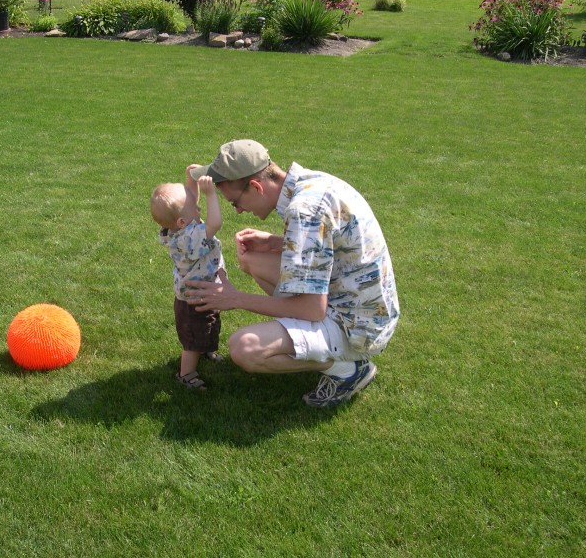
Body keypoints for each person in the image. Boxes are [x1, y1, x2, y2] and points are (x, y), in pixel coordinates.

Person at [187, 139, 400, 408]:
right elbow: (330, 243)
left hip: (359, 328)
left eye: (234, 203)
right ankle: (307, 341)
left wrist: (235, 299)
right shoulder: (310, 182)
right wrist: (277, 242)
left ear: (256, 186)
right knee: (254, 260)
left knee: (245, 347)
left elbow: (312, 310)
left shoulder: (305, 212)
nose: (239, 211)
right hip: (362, 303)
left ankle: (347, 370)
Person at [150, 165, 226, 390]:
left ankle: (206, 348)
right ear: (182, 222)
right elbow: (215, 224)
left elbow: (189, 201)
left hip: (202, 292)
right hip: (193, 300)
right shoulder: (188, 239)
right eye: (197, 208)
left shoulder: (181, 228)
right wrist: (211, 195)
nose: (200, 209)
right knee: (192, 338)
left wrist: (190, 180)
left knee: (210, 322)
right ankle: (186, 374)